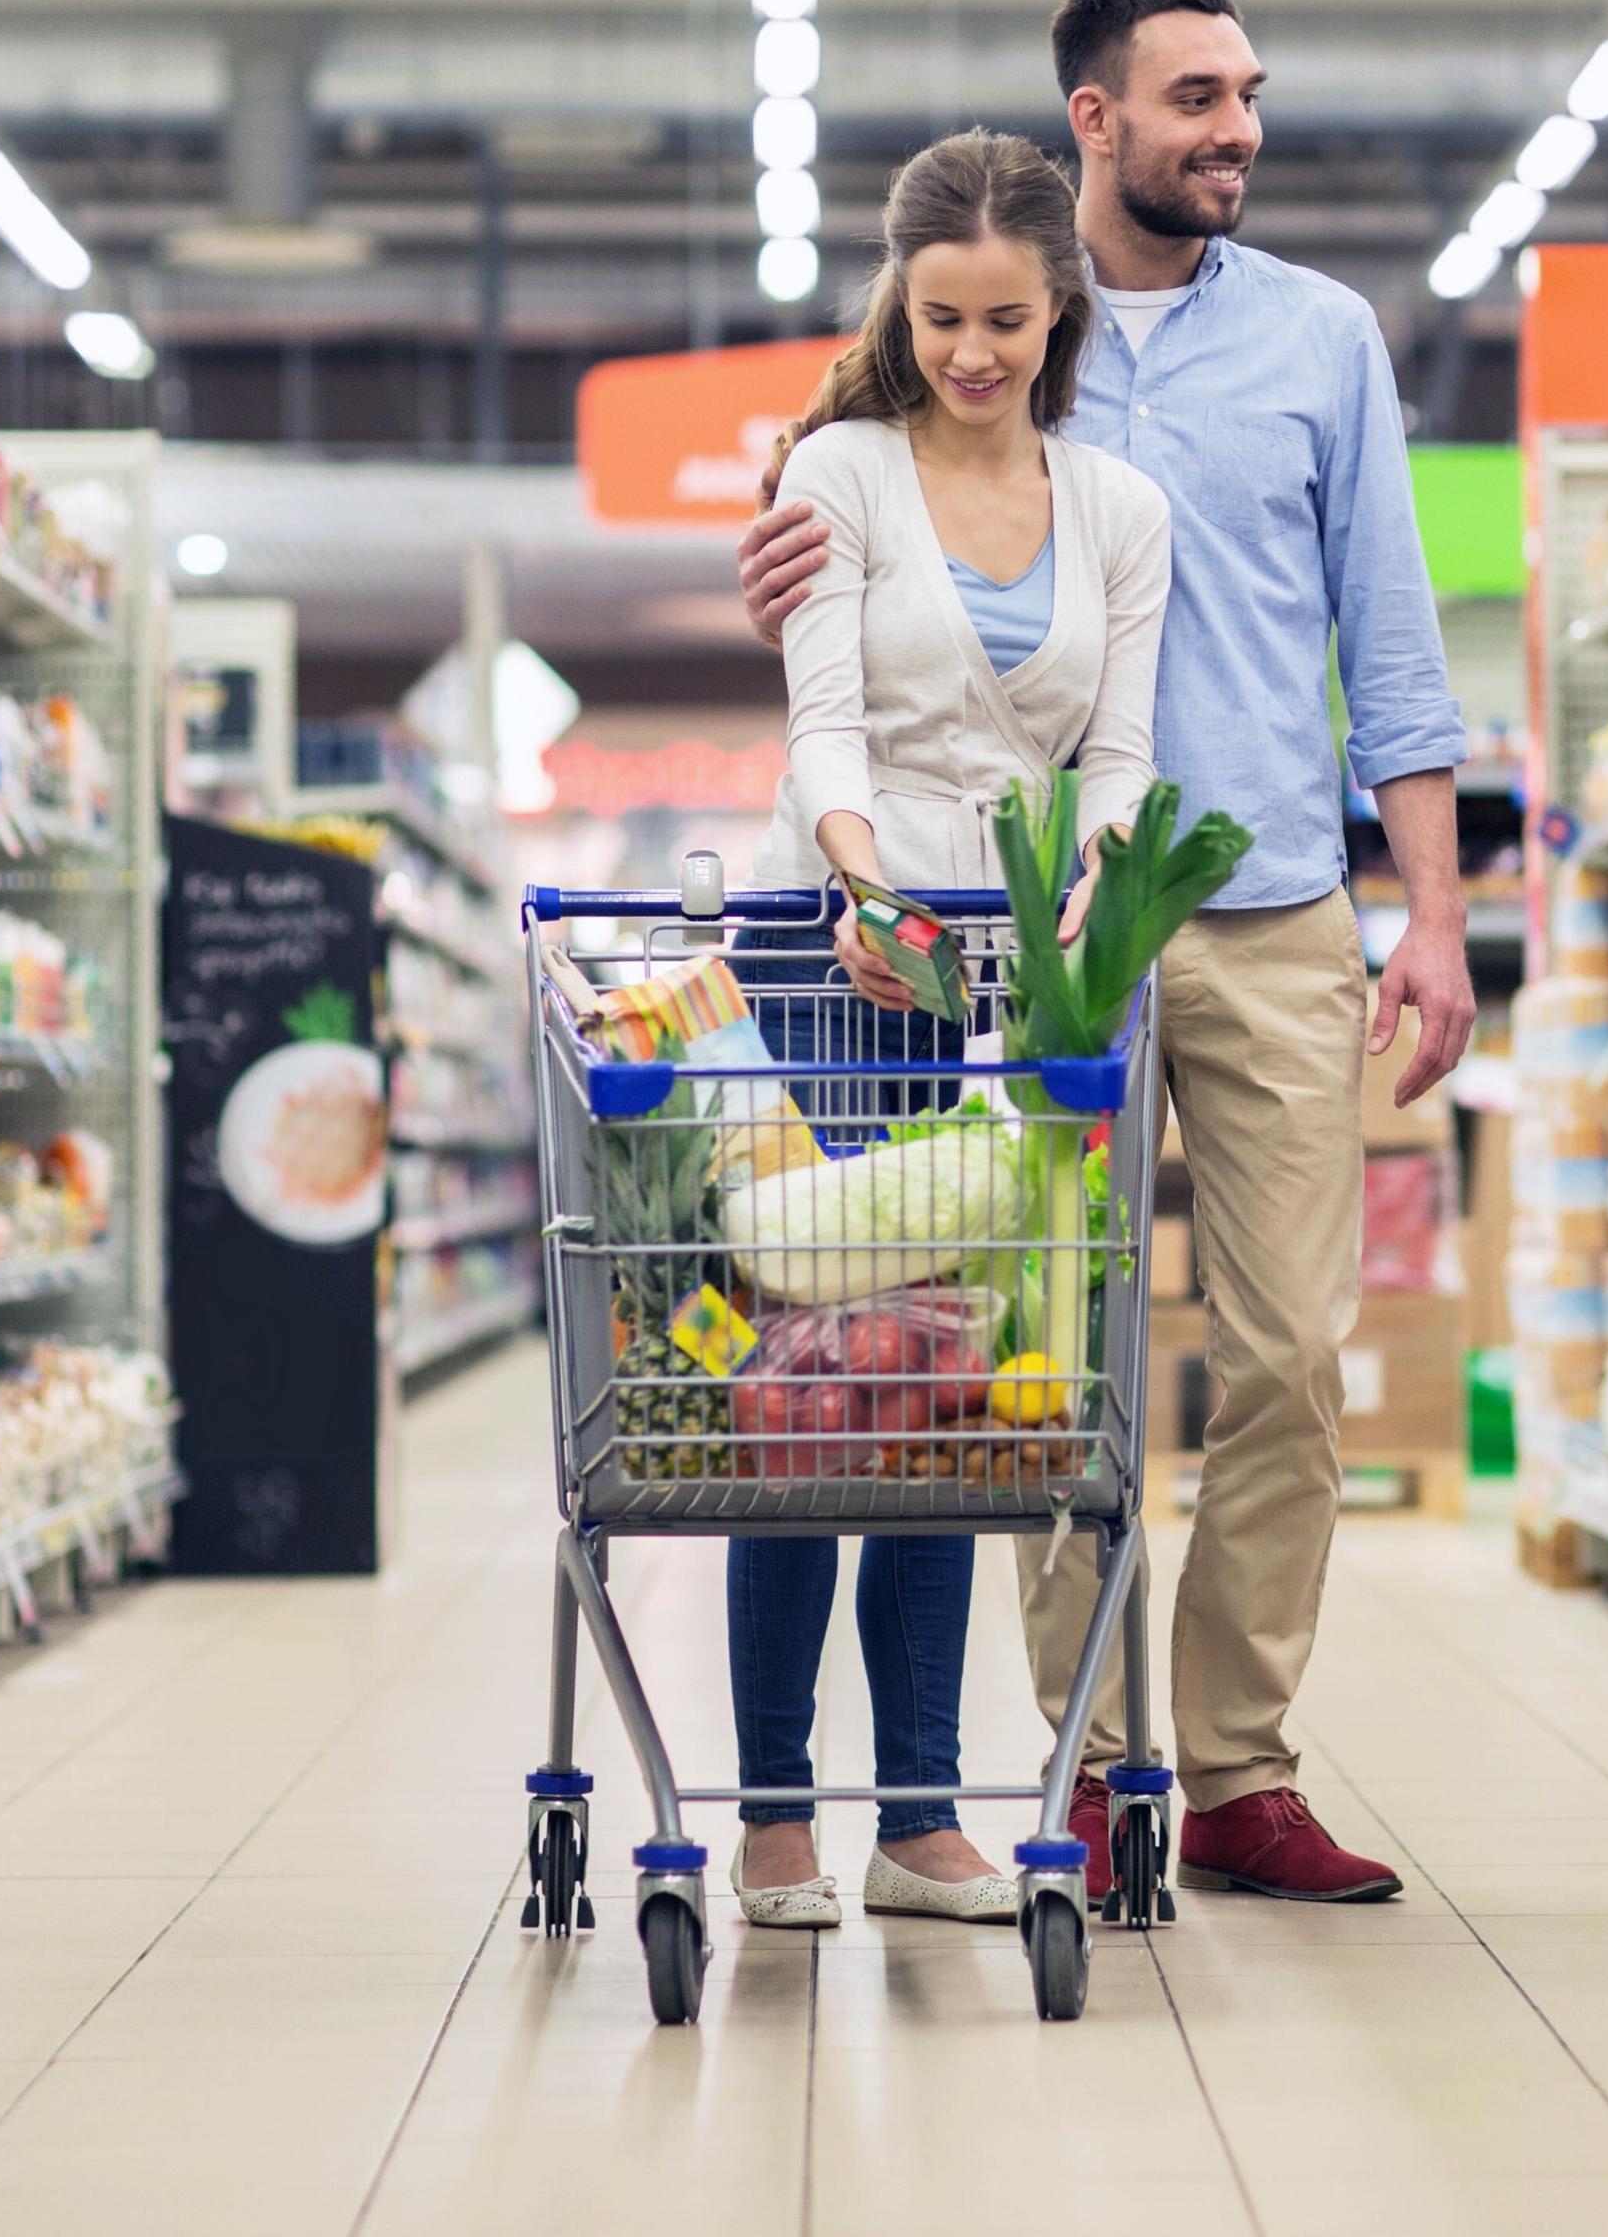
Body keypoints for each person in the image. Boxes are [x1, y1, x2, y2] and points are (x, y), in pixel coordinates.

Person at [740, 0, 1473, 1907]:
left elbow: (1389, 640)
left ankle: (1234, 1762)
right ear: (1094, 118)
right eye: (1195, 98)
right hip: (1029, 936)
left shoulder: (1322, 338)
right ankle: (1092, 1756)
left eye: (1249, 92)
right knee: (1052, 1364)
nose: (1236, 127)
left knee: (1291, 1354)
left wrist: (1441, 910)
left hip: (1268, 911)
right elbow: (844, 588)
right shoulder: (990, 324)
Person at [728, 129, 1173, 1931]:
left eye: (1004, 319)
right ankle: (773, 1815)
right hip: (834, 952)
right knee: (811, 1391)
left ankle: (918, 1812)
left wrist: (1098, 889)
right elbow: (822, 722)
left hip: (1005, 967)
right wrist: (856, 886)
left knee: (938, 1391)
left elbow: (1120, 756)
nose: (971, 354)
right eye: (939, 320)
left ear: (1058, 308)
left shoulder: (1123, 510)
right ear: (897, 310)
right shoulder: (841, 467)